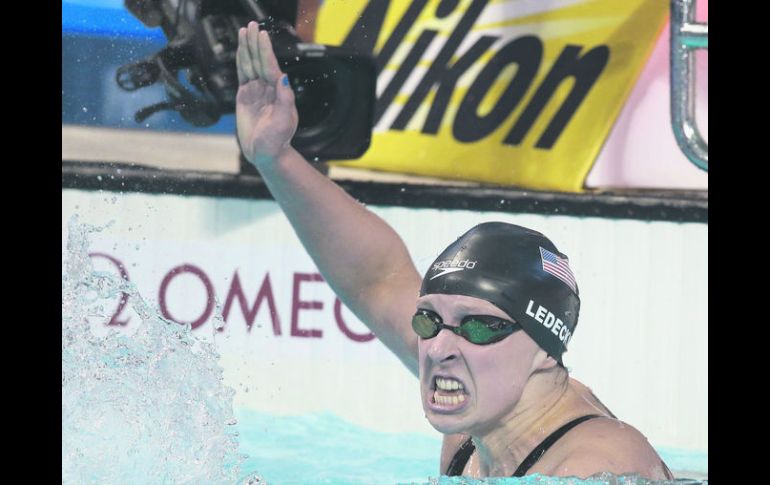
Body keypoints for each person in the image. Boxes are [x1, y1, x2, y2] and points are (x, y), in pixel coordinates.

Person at [234, 21, 674, 479]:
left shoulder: (595, 468)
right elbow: (376, 280)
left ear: (546, 347)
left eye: (479, 328)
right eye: (428, 320)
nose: (438, 348)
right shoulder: (477, 418)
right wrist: (276, 157)